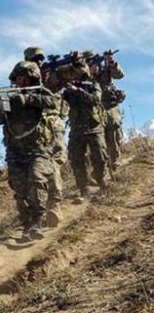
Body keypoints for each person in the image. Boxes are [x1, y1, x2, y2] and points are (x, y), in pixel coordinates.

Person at [0, 61, 61, 240]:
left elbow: (54, 103)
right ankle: (28, 224)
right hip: (15, 151)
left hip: (39, 148)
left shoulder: (41, 92)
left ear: (32, 77)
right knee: (20, 190)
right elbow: (0, 120)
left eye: (24, 77)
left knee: (37, 180)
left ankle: (38, 220)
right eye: (18, 78)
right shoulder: (9, 96)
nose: (21, 81)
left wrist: (29, 99)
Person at [23, 46, 67, 227]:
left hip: (54, 128)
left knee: (55, 164)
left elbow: (75, 73)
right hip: (33, 132)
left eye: (40, 59)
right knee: (34, 173)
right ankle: (34, 213)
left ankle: (54, 206)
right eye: (34, 59)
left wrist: (78, 62)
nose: (39, 63)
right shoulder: (24, 79)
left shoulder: (52, 77)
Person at [62, 50, 108, 202]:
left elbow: (95, 100)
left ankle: (102, 187)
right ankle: (84, 191)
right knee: (76, 160)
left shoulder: (93, 83)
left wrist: (78, 91)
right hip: (76, 129)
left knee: (99, 158)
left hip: (94, 127)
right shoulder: (67, 86)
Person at [89, 51, 125, 173]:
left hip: (110, 108)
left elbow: (119, 75)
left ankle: (115, 165)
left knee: (113, 136)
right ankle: (100, 170)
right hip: (94, 111)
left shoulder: (106, 70)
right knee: (98, 142)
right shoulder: (85, 75)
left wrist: (111, 62)